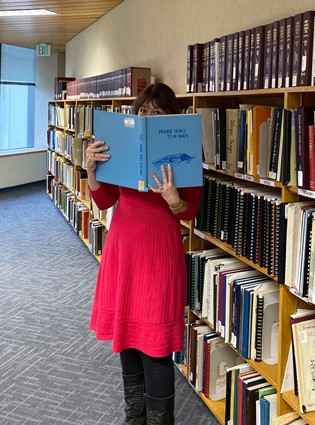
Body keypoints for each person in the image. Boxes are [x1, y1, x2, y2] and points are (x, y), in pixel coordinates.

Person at [85, 83, 203, 425]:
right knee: (126, 340)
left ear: (171, 119)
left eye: (157, 113)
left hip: (158, 253)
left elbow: (190, 211)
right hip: (123, 248)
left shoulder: (185, 152)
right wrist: (91, 170)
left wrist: (173, 199)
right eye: (143, 111)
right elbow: (105, 201)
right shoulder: (123, 147)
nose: (148, 117)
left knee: (155, 345)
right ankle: (133, 417)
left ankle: (159, 421)